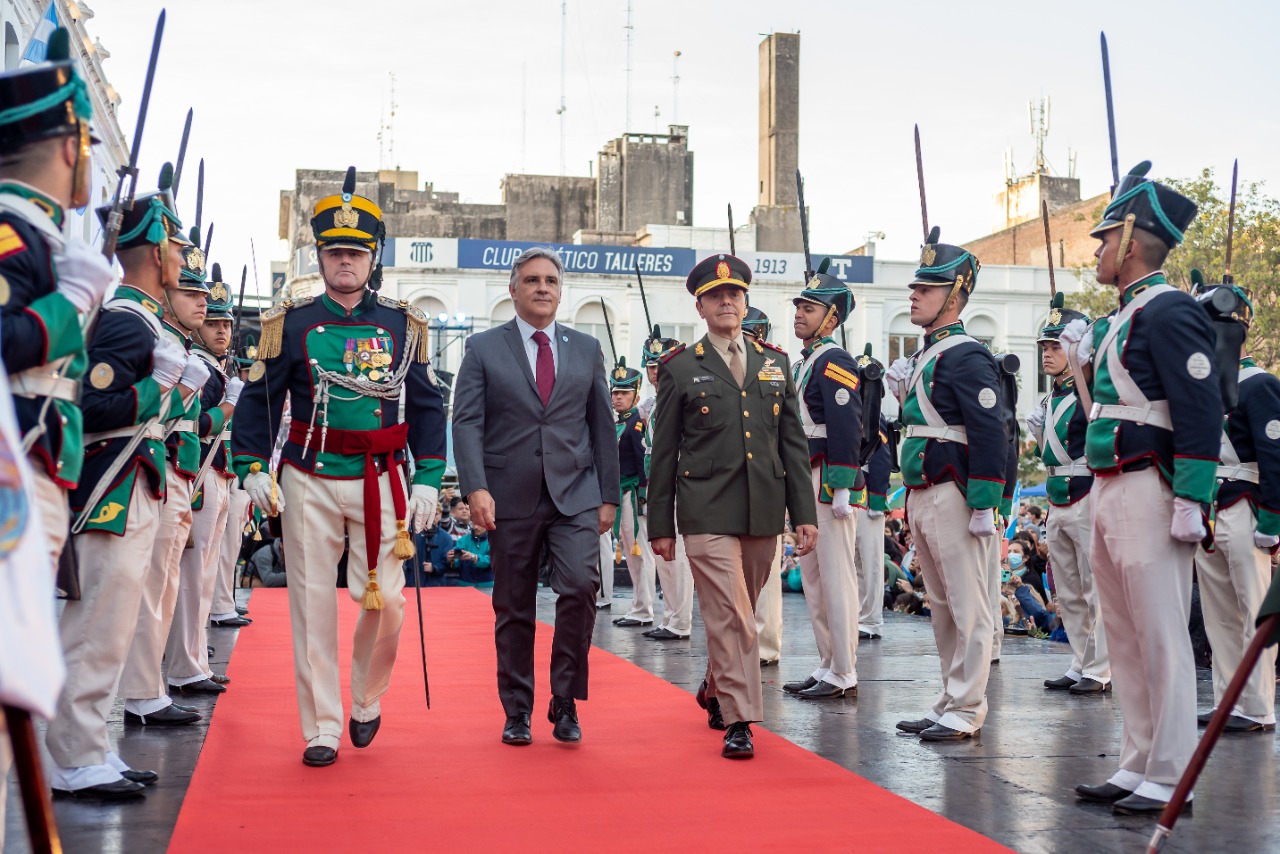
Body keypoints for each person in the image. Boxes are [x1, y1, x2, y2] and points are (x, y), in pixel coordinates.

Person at [231, 167, 447, 768]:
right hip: (308, 475)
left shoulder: (404, 324)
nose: (344, 261)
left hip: (382, 477)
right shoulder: (291, 323)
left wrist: (429, 477)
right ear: (320, 257)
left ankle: (366, 697)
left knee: (387, 604)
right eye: (334, 252)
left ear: (372, 257)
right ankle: (322, 725)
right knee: (310, 606)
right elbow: (258, 400)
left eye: (355, 252)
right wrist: (251, 464)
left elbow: (428, 405)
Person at [1063, 162, 1219, 814]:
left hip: (1152, 491)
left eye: (1104, 239)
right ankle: (1139, 761)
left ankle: (1172, 774)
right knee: (1124, 636)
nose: (1096, 250)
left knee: (1160, 637)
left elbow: (1200, 406)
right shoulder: (1124, 317)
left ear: (1130, 241)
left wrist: (1192, 496)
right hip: (1109, 489)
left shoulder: (1171, 310)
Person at [47, 167, 194, 798]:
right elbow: (88, 404)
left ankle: (88, 747)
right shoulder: (129, 321)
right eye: (179, 249)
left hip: (138, 479)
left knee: (113, 624)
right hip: (113, 483)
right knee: (96, 627)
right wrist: (153, 390)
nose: (184, 260)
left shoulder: (146, 321)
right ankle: (72, 756)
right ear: (158, 251)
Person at [648, 253, 817, 759]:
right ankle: (741, 720)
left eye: (735, 294)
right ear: (700, 307)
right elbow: (664, 453)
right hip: (704, 509)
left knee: (738, 610)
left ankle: (716, 687)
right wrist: (661, 523)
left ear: (745, 303)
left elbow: (793, 445)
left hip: (762, 509)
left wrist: (803, 514)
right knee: (735, 614)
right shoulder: (679, 367)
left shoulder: (775, 362)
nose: (727, 302)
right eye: (716, 296)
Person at [452, 245, 619, 747]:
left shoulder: (586, 349)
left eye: (550, 280)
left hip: (575, 494)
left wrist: (608, 495)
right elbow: (466, 422)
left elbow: (601, 426)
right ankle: (517, 710)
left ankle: (564, 698)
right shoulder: (483, 348)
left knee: (580, 588)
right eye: (531, 280)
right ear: (513, 289)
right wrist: (475, 487)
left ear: (560, 291)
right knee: (514, 607)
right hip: (508, 497)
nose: (542, 287)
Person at [886, 227, 1008, 742]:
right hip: (922, 492)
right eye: (915, 287)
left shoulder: (966, 355)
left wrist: (985, 502)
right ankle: (950, 697)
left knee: (968, 604)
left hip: (954, 493)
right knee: (942, 607)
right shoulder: (928, 355)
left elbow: (990, 431)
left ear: (956, 296)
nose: (914, 295)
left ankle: (968, 706)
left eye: (927, 289)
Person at [0, 27, 113, 567]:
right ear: (73, 147)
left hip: (34, 458)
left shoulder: (38, 236)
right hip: (15, 461)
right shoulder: (13, 235)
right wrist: (68, 303)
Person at [116, 226, 212, 730]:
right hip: (155, 465)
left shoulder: (171, 337)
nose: (200, 304)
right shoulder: (142, 326)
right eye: (190, 293)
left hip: (177, 470)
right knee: (149, 585)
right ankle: (142, 692)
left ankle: (152, 686)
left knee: (165, 583)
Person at [1190, 273, 1279, 734]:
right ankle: (1228, 699)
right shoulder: (1201, 387)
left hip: (1246, 503)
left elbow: (1275, 453)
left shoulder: (1260, 384)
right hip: (1210, 505)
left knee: (1253, 611)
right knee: (1219, 613)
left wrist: (1273, 517)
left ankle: (1259, 706)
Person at [782, 266, 863, 700]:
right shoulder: (805, 362)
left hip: (824, 480)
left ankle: (845, 669)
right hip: (802, 477)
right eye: (798, 305)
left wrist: (842, 485)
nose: (799, 313)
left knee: (835, 577)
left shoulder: (835, 361)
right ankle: (829, 661)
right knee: (813, 578)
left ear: (831, 318)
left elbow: (845, 425)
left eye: (809, 307)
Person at [164, 265, 244, 698]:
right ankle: (183, 665)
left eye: (226, 324)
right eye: (213, 322)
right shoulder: (194, 363)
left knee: (207, 576)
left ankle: (195, 661)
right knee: (193, 578)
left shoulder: (213, 366)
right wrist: (229, 405)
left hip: (218, 472)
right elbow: (201, 425)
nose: (221, 331)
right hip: (199, 474)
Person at [1027, 296, 1111, 694]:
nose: (1047, 354)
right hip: (1057, 495)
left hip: (1086, 493)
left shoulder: (1087, 392)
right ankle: (1080, 660)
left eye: (1056, 346)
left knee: (1096, 588)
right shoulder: (1051, 399)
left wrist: (1081, 366)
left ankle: (1101, 668)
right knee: (1069, 590)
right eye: (1045, 347)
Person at [638, 326, 694, 641]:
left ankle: (681, 620)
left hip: (678, 479)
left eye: (660, 366)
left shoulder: (680, 398)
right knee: (663, 554)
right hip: (659, 480)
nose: (655, 373)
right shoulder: (656, 403)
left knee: (680, 553)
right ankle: (671, 615)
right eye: (650, 367)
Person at [742, 309, 784, 665]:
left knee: (766, 575)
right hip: (733, 486)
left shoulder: (775, 369)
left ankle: (766, 645)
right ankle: (743, 641)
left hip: (769, 483)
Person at [608, 357, 657, 628]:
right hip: (620, 495)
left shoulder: (636, 422)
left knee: (641, 554)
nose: (618, 397)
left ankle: (644, 608)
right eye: (615, 392)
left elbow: (642, 460)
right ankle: (639, 605)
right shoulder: (619, 423)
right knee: (631, 553)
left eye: (624, 393)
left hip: (634, 495)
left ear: (636, 394)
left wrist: (642, 494)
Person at [856, 418, 892, 640]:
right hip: (849, 488)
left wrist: (877, 497)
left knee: (871, 562)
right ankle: (859, 615)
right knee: (855, 562)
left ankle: (871, 620)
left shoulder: (867, 403)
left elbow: (881, 452)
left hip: (867, 491)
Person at [409, 504, 456, 586]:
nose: (431, 518)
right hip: (413, 582)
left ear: (440, 515)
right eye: (428, 514)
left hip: (435, 584)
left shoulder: (446, 538)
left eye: (435, 514)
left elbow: (447, 563)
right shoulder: (411, 533)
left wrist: (434, 568)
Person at [451, 521, 493, 586]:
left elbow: (492, 561)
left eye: (479, 524)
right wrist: (451, 559)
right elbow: (456, 563)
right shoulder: (463, 540)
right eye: (474, 524)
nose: (475, 527)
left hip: (486, 585)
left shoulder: (493, 541)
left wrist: (474, 557)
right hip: (464, 584)